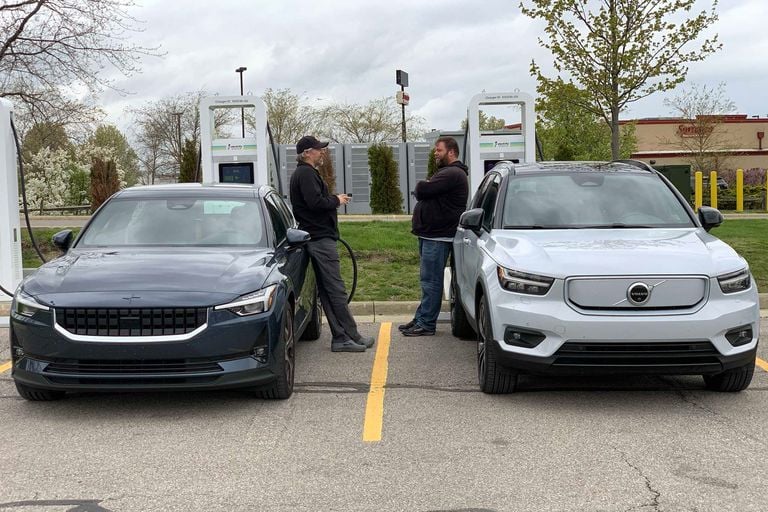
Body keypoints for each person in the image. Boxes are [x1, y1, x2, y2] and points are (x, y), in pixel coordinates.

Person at [289, 135, 375, 352]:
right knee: (336, 289)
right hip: (320, 239)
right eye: (319, 149)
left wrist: (335, 198)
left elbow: (313, 202)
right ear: (307, 152)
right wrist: (337, 200)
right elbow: (315, 203)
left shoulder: (305, 173)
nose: (322, 153)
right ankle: (349, 335)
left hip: (317, 237)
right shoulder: (305, 174)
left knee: (328, 290)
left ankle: (341, 337)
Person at [400, 136, 469, 337]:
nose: (435, 153)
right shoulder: (448, 173)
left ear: (451, 152)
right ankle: (421, 317)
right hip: (432, 235)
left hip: (438, 237)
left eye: (438, 150)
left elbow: (422, 190)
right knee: (427, 280)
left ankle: (427, 323)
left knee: (431, 281)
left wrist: (424, 185)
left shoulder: (453, 173)